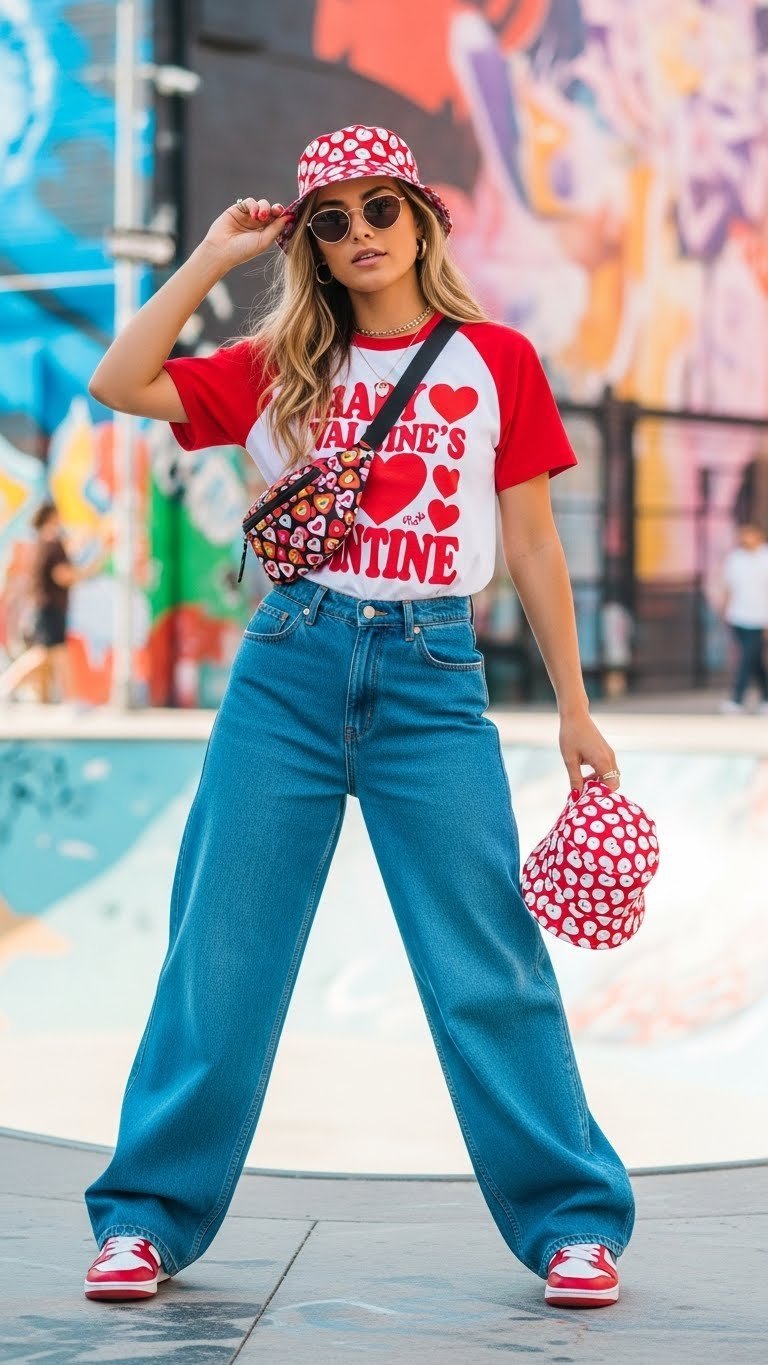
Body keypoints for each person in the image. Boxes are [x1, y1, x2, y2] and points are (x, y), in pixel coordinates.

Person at [82, 125, 634, 1311]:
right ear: (311, 244)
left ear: (422, 218)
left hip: (434, 677)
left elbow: (533, 544)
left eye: (379, 208)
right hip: (288, 664)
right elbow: (118, 383)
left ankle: (572, 1225)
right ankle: (144, 1220)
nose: (359, 234)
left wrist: (576, 709)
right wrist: (212, 259)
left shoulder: (498, 359)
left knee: (486, 959)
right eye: (329, 220)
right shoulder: (280, 361)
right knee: (218, 954)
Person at [0, 502, 104, 703]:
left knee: (57, 654)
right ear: (52, 517)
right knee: (44, 653)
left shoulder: (41, 543)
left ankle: (69, 699)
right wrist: (87, 571)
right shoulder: (52, 543)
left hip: (45, 605)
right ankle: (6, 685)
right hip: (51, 606)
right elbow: (63, 575)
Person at [718, 521, 768, 714]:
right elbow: (728, 587)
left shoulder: (765, 558)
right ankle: (766, 697)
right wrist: (725, 610)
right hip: (738, 616)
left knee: (747, 658)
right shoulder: (735, 559)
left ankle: (736, 699)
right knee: (754, 660)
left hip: (760, 618)